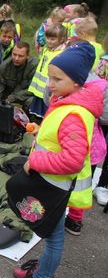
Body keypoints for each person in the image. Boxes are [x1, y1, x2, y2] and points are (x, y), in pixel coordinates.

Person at [13, 42, 103, 278]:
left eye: (57, 79)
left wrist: (35, 161)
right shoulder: (67, 101)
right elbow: (59, 136)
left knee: (53, 237)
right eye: (49, 77)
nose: (50, 84)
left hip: (56, 185)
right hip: (52, 183)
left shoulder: (74, 113)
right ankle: (43, 267)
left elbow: (72, 160)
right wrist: (39, 131)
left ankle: (43, 274)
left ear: (76, 82)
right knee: (49, 232)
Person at [28, 23, 67, 119]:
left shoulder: (61, 54)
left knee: (44, 115)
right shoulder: (47, 49)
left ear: (61, 39)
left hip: (48, 90)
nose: (49, 41)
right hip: (39, 89)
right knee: (35, 114)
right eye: (48, 38)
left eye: (52, 39)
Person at [0, 42, 37, 107]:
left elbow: (33, 89)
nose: (16, 58)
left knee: (32, 100)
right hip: (8, 91)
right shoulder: (4, 67)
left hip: (24, 94)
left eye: (20, 56)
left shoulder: (34, 66)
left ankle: (27, 116)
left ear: (27, 56)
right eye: (14, 54)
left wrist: (14, 97)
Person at [93, 35, 108, 206]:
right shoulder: (104, 62)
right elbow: (98, 88)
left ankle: (103, 183)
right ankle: (101, 185)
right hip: (103, 114)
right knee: (98, 146)